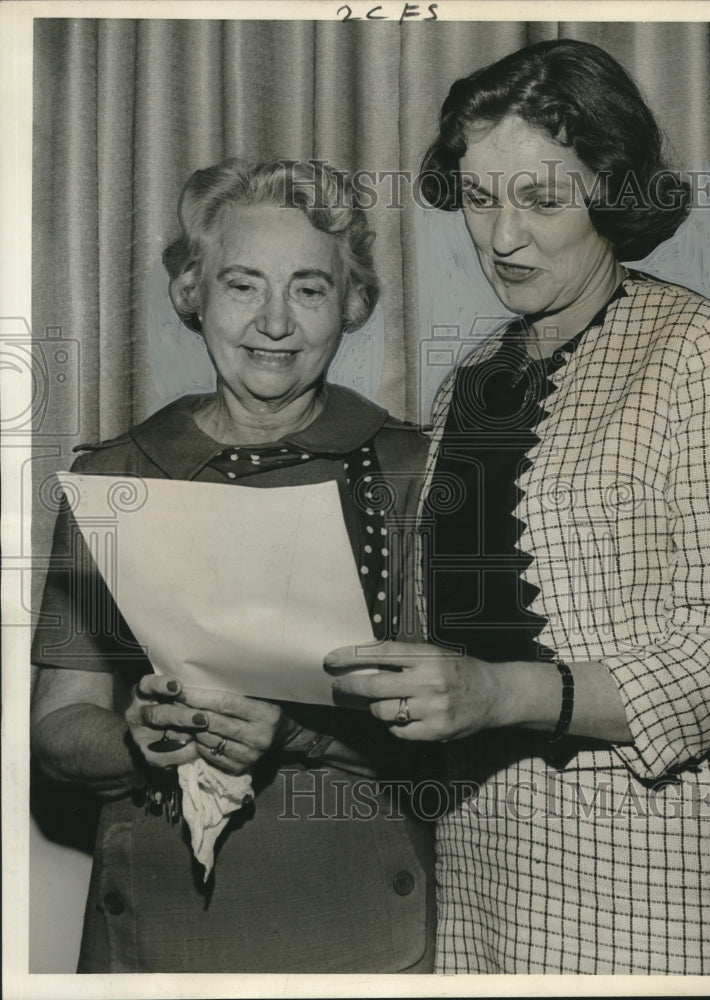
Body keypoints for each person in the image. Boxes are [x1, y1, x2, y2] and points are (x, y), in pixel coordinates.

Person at [328, 39, 710, 974]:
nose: (501, 236)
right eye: (482, 197)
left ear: (610, 193)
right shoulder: (471, 384)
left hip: (650, 879)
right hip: (479, 868)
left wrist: (501, 693)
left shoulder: (704, 350)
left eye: (542, 199)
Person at [30, 159, 434, 973]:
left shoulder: (412, 472)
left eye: (310, 290)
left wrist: (297, 732)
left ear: (352, 306)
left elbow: (458, 736)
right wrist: (135, 741)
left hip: (358, 923)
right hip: (157, 924)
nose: (274, 323)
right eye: (244, 286)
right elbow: (58, 731)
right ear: (194, 292)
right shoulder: (117, 476)